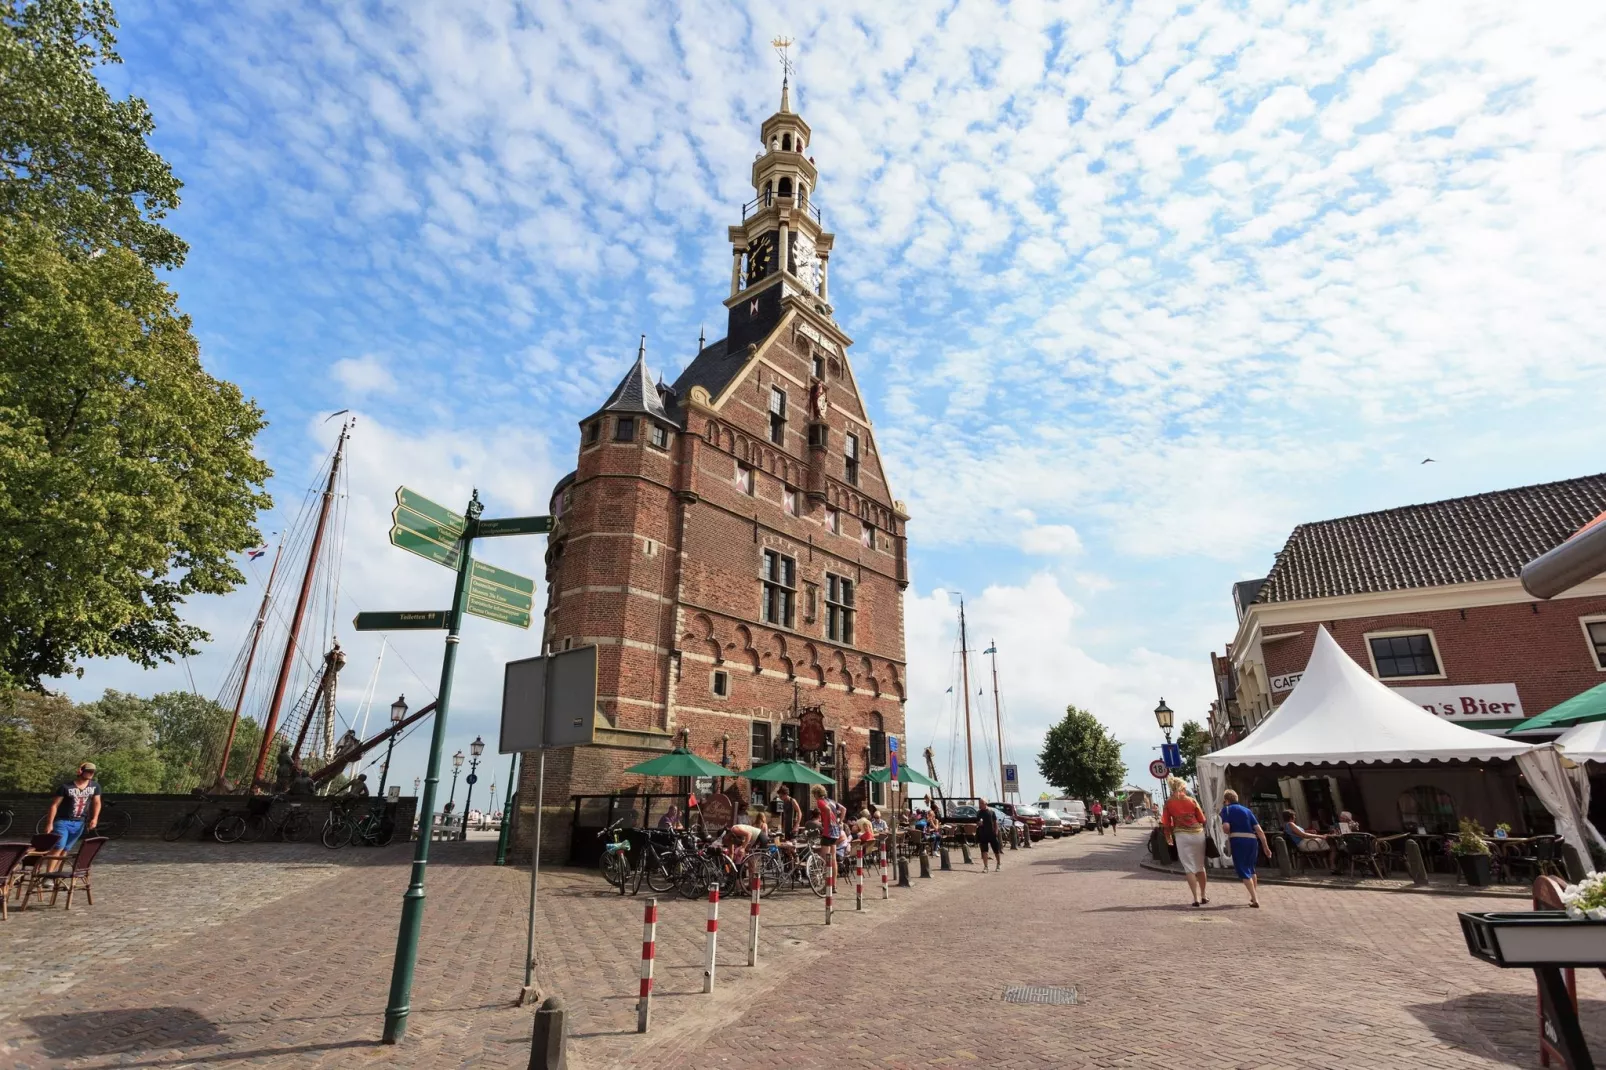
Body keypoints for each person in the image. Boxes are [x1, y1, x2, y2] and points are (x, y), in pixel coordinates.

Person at [42, 762, 101, 869]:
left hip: (80, 822)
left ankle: (56, 873)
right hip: (63, 821)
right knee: (58, 847)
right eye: (88, 771)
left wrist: (95, 818)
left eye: (92, 772)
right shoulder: (66, 787)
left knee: (66, 849)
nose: (90, 774)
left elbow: (97, 802)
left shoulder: (95, 786)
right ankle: (48, 875)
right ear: (81, 771)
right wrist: (49, 823)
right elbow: (54, 805)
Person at [1162, 776, 1209, 906]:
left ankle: (1195, 898)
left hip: (1181, 835)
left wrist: (1168, 836)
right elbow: (1202, 819)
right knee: (1200, 866)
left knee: (1189, 868)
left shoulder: (1168, 803)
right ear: (1183, 787)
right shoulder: (1192, 801)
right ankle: (1204, 895)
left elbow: (1166, 823)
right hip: (1197, 834)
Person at [1219, 789, 1270, 908]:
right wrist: (1266, 846)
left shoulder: (1226, 809)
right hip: (1252, 840)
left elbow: (1226, 827)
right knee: (1251, 868)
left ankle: (1255, 898)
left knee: (1242, 869)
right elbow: (1259, 830)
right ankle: (1253, 896)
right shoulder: (1247, 810)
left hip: (1238, 840)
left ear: (1226, 800)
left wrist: (1226, 831)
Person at [975, 799, 1004, 872]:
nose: (980, 805)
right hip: (983, 834)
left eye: (981, 803)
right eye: (979, 803)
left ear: (985, 803)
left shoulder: (991, 812)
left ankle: (998, 864)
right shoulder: (978, 813)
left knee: (996, 850)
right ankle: (986, 867)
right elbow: (977, 823)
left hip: (991, 834)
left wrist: (996, 831)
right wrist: (979, 823)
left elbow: (995, 822)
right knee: (984, 851)